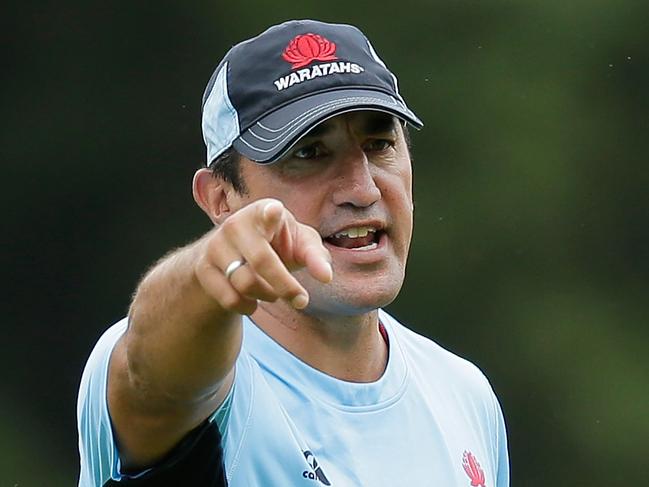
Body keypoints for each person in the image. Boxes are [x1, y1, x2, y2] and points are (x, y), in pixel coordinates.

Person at [77, 19, 509, 487]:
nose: (362, 190)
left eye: (379, 144)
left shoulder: (464, 394)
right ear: (221, 200)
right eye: (309, 154)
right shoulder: (199, 375)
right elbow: (151, 368)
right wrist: (208, 268)